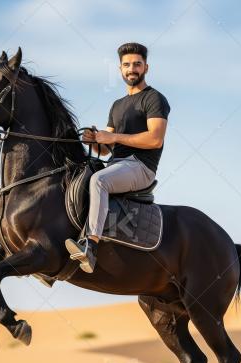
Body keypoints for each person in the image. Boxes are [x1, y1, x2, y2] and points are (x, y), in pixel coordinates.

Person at [65, 42, 170, 273]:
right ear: (120, 69)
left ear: (146, 68)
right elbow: (106, 149)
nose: (131, 69)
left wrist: (113, 137)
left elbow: (155, 139)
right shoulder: (117, 105)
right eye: (126, 65)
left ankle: (90, 246)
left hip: (141, 167)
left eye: (137, 64)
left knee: (98, 181)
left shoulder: (154, 99)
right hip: (116, 164)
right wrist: (95, 140)